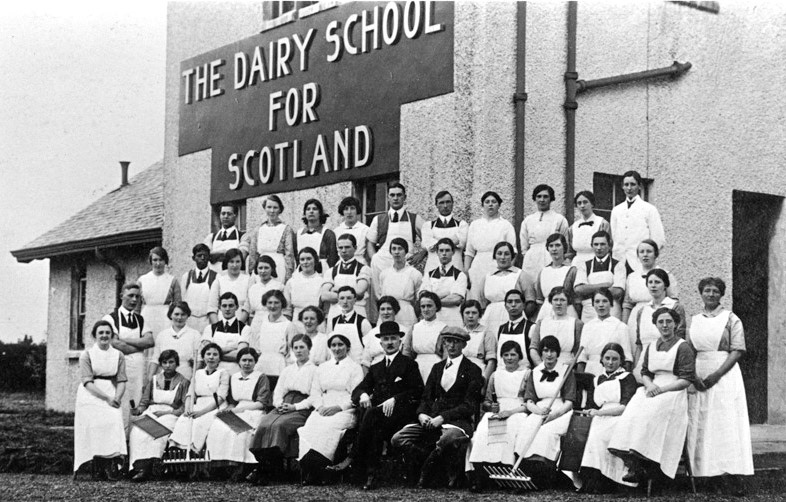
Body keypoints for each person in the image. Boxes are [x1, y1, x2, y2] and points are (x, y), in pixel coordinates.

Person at [332, 321, 424, 490]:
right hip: (379, 418)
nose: (389, 342)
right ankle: (371, 476)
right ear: (380, 343)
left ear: (400, 342)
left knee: (372, 416)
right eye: (386, 339)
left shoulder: (409, 364)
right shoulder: (376, 367)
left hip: (401, 415)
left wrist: (395, 399)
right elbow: (358, 390)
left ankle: (354, 458)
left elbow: (418, 391)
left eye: (393, 339)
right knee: (374, 425)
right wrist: (364, 394)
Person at [608, 308, 695, 483]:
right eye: (661, 322)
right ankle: (633, 460)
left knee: (650, 412)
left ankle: (646, 461)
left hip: (673, 391)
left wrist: (662, 390)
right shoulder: (651, 346)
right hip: (652, 387)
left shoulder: (682, 346)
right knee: (632, 412)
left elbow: (686, 379)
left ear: (676, 324)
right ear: (655, 324)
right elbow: (645, 371)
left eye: (669, 321)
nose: (665, 325)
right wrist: (649, 385)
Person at [391, 326, 483, 488]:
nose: (452, 346)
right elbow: (426, 398)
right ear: (444, 344)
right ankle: (430, 463)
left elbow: (470, 405)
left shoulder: (473, 370)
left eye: (456, 342)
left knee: (448, 439)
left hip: (458, 422)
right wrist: (421, 415)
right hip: (433, 419)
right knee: (398, 439)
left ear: (464, 345)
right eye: (448, 342)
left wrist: (443, 417)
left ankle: (426, 473)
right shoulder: (437, 367)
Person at [686, 278, 753, 484]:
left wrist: (716, 374)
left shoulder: (731, 318)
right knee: (702, 421)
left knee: (726, 422)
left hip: (725, 372)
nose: (711, 294)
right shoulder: (694, 319)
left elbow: (737, 350)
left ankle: (732, 475)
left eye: (716, 291)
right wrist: (693, 376)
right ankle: (704, 473)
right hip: (699, 372)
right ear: (701, 293)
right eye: (707, 290)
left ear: (722, 294)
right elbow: (689, 349)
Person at [248, 335, 317, 485]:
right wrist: (279, 403)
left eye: (302, 347)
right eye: (296, 348)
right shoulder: (288, 369)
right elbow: (278, 391)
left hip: (302, 407)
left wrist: (295, 407)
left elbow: (315, 396)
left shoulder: (315, 370)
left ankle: (270, 472)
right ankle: (268, 469)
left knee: (279, 426)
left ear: (309, 349)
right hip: (284, 405)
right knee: (264, 423)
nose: (298, 351)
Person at [297, 334, 364, 485]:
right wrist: (320, 407)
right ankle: (310, 469)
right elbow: (315, 392)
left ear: (347, 347)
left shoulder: (355, 368)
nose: (337, 348)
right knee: (310, 427)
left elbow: (356, 394)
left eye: (340, 345)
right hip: (323, 406)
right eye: (333, 345)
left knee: (327, 428)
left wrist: (338, 407)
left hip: (345, 409)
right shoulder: (322, 367)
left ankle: (321, 471)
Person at [466, 340, 529, 489]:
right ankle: (480, 473)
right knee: (483, 428)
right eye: (506, 355)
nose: (509, 358)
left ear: (519, 356)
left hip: (518, 411)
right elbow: (487, 401)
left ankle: (508, 470)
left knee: (510, 429)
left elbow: (529, 402)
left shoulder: (526, 374)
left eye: (513, 354)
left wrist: (511, 412)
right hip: (499, 411)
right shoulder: (495, 375)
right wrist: (491, 407)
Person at [579, 343, 638, 490]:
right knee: (590, 434)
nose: (610, 362)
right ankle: (591, 480)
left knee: (600, 435)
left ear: (621, 361)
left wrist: (599, 413)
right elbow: (592, 405)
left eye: (615, 359)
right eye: (607, 358)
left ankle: (609, 481)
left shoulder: (627, 377)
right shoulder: (597, 379)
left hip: (619, 417)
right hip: (599, 418)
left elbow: (625, 407)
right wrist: (590, 412)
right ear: (602, 360)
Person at [206, 347, 271, 479]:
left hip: (254, 411)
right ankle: (221, 466)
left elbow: (262, 403)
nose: (247, 363)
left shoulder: (261, 377)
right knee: (218, 426)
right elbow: (232, 401)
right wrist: (226, 410)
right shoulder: (234, 377)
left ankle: (240, 467)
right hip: (236, 409)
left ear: (255, 362)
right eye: (244, 360)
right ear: (239, 362)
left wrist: (237, 410)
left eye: (250, 360)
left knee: (240, 431)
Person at [73, 320, 127, 480]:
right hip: (91, 394)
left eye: (107, 333)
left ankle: (109, 465)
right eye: (101, 333)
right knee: (95, 426)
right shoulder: (87, 355)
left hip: (111, 391)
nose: (104, 336)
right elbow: (87, 382)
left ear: (112, 335)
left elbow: (122, 380)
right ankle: (96, 465)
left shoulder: (119, 355)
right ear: (95, 336)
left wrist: (117, 397)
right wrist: (107, 398)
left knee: (112, 422)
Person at [514, 336, 576, 470]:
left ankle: (543, 469)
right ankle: (525, 468)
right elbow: (529, 400)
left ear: (557, 353)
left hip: (561, 410)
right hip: (540, 409)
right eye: (546, 350)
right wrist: (538, 411)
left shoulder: (566, 371)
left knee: (545, 431)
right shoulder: (534, 372)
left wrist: (554, 415)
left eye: (553, 351)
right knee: (527, 427)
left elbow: (569, 402)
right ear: (541, 352)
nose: (549, 354)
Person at [128, 350, 190, 482]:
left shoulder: (184, 382)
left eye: (171, 362)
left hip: (171, 414)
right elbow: (144, 401)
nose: (168, 365)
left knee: (158, 432)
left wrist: (167, 413)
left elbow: (184, 407)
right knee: (138, 432)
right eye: (165, 362)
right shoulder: (154, 380)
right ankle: (138, 467)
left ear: (177, 363)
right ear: (161, 364)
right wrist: (138, 410)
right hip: (152, 411)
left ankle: (150, 467)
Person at [103, 283, 154, 433]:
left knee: (136, 402)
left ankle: (132, 442)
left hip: (137, 370)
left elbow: (150, 341)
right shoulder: (110, 319)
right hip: (120, 368)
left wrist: (125, 339)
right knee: (121, 402)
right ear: (121, 296)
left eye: (137, 296)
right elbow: (117, 345)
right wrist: (140, 345)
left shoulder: (140, 320)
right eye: (130, 295)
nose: (134, 299)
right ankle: (118, 442)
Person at [367, 183, 426, 307]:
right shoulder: (379, 219)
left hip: (406, 265)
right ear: (388, 197)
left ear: (404, 197)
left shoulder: (414, 218)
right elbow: (370, 243)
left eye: (399, 195)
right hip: (382, 265)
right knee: (383, 300)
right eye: (392, 195)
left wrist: (421, 253)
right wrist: (375, 259)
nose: (395, 198)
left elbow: (429, 239)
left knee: (404, 297)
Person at [169, 343, 230, 457]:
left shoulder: (223, 373)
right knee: (183, 420)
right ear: (204, 357)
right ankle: (180, 452)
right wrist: (187, 409)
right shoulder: (197, 373)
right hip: (199, 405)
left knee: (200, 422)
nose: (211, 357)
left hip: (215, 406)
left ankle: (195, 451)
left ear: (219, 358)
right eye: (208, 354)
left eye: (215, 354)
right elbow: (190, 394)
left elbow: (221, 397)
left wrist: (201, 413)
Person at [630, 269, 686, 382]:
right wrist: (636, 368)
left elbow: (680, 340)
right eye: (650, 282)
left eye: (657, 282)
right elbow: (639, 345)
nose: (653, 286)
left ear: (665, 285)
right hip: (644, 366)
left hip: (666, 365)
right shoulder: (642, 311)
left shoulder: (675, 307)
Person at [464, 191, 517, 301]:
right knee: (476, 298)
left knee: (495, 296)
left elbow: (513, 252)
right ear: (482, 205)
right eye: (487, 202)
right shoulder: (475, 225)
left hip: (497, 266)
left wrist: (506, 272)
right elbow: (469, 252)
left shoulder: (506, 225)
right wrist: (466, 272)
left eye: (494, 202)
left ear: (499, 205)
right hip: (477, 267)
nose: (490, 204)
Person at [610, 171, 666, 273]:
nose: (629, 188)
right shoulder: (616, 210)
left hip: (639, 263)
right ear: (622, 187)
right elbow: (613, 237)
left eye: (633, 184)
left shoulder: (649, 209)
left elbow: (658, 238)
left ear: (639, 186)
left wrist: (647, 257)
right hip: (619, 261)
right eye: (626, 184)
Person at [247, 290, 298, 388]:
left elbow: (292, 352)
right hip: (261, 366)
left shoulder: (289, 325)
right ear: (265, 304)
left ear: (282, 304)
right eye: (270, 303)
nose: (273, 306)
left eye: (276, 302)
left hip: (279, 367)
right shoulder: (260, 323)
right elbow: (253, 346)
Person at [520, 184, 570, 284]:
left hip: (552, 256)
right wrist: (529, 256)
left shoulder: (559, 219)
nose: (542, 200)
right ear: (535, 198)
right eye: (539, 196)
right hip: (532, 259)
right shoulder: (528, 220)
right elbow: (524, 246)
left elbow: (565, 245)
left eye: (545, 196)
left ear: (551, 199)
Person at [621, 239, 679, 325]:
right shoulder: (632, 277)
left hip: (659, 318)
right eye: (641, 252)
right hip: (635, 320)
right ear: (638, 255)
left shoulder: (666, 275)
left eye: (649, 251)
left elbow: (674, 301)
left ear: (656, 254)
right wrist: (624, 325)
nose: (645, 255)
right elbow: (627, 305)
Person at [477, 241, 531, 333]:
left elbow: (530, 301)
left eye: (506, 254)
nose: (503, 257)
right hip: (490, 318)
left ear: (512, 256)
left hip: (514, 316)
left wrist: (519, 316)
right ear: (494, 256)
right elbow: (482, 303)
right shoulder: (487, 276)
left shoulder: (520, 275)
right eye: (499, 254)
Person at [576, 289, 632, 376]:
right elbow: (582, 357)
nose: (601, 305)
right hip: (590, 371)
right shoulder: (587, 326)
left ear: (611, 304)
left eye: (605, 301)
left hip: (612, 372)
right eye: (597, 301)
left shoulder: (620, 326)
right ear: (593, 304)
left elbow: (627, 358)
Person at [573, 231, 625, 322]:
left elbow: (618, 291)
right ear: (591, 245)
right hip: (589, 311)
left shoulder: (618, 265)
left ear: (609, 245)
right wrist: (605, 285)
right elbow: (579, 289)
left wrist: (589, 289)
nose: (599, 248)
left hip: (611, 309)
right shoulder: (584, 265)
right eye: (596, 244)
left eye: (602, 244)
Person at [320, 234, 371, 321]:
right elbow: (324, 295)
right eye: (340, 247)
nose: (343, 250)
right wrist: (350, 296)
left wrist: (336, 289)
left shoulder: (363, 269)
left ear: (355, 248)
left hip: (357, 312)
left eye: (347, 247)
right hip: (335, 313)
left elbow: (359, 292)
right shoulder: (331, 271)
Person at [529, 287, 583, 367]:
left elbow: (579, 351)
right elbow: (533, 348)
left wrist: (570, 365)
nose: (558, 303)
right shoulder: (541, 322)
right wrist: (542, 366)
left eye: (562, 300)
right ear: (551, 302)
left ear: (568, 302)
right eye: (555, 300)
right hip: (544, 367)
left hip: (567, 367)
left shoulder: (576, 323)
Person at [418, 238, 468, 326]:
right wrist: (446, 295)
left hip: (452, 319)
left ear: (453, 252)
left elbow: (456, 299)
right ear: (437, 252)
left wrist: (432, 300)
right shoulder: (429, 275)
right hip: (433, 319)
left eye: (447, 250)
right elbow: (423, 296)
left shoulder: (460, 275)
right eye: (441, 250)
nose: (444, 253)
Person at [247, 194, 297, 283]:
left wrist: (288, 276)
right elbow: (253, 253)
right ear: (265, 208)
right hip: (261, 267)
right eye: (269, 207)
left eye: (275, 208)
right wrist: (251, 271)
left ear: (280, 209)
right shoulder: (258, 229)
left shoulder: (286, 229)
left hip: (279, 267)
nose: (272, 211)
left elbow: (289, 254)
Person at [377, 237, 423, 331]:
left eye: (400, 249)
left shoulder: (414, 273)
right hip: (387, 312)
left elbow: (418, 299)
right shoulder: (384, 274)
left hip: (406, 313)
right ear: (390, 252)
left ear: (405, 251)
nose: (397, 252)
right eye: (394, 249)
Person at [137, 246, 182, 343]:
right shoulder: (142, 280)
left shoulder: (172, 281)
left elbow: (178, 305)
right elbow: (137, 307)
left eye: (161, 260)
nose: (158, 263)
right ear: (151, 261)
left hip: (165, 320)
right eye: (155, 260)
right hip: (146, 318)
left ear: (165, 261)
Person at [201, 292, 251, 375]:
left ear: (237, 307)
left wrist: (216, 354)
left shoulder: (245, 329)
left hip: (235, 372)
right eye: (224, 306)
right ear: (219, 307)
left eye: (231, 306)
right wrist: (231, 349)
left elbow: (240, 355)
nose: (227, 309)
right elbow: (206, 354)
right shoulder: (210, 328)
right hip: (213, 373)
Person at [149, 301, 201, 381]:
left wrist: (192, 380)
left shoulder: (195, 334)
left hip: (186, 377)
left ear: (187, 315)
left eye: (183, 314)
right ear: (170, 315)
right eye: (176, 314)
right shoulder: (162, 335)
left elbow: (199, 360)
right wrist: (150, 378)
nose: (179, 318)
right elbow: (155, 359)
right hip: (165, 378)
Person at [419, 191, 468, 273]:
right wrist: (452, 242)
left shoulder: (462, 225)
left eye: (448, 202)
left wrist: (436, 241)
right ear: (436, 205)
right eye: (441, 203)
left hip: (455, 269)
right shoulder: (428, 225)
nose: (445, 206)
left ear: (452, 203)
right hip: (433, 269)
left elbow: (461, 241)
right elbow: (426, 243)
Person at [533, 233, 579, 321]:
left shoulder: (572, 270)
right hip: (546, 312)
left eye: (558, 245)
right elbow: (540, 299)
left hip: (567, 312)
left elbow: (576, 300)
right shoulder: (543, 271)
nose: (554, 249)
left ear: (564, 247)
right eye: (551, 246)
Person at [404, 291, 447, 383]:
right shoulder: (414, 328)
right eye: (423, 306)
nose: (426, 309)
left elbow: (446, 355)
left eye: (429, 306)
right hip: (416, 367)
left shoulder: (443, 328)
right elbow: (406, 352)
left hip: (436, 366)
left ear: (436, 307)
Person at [327, 286, 372, 364]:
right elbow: (329, 347)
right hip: (338, 366)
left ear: (355, 300)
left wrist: (364, 365)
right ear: (338, 301)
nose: (345, 301)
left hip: (357, 366)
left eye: (349, 298)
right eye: (342, 298)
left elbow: (369, 347)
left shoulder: (362, 322)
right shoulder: (333, 322)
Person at [361, 296, 408, 369]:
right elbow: (365, 361)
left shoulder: (405, 331)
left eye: (389, 309)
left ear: (395, 310)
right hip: (376, 373)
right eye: (382, 309)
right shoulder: (372, 333)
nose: (386, 312)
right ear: (379, 311)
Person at [207, 248, 252, 324]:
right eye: (231, 262)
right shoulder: (219, 281)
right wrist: (218, 327)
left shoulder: (248, 280)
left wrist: (238, 325)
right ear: (226, 263)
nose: (235, 265)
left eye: (238, 261)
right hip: (222, 323)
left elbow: (248, 306)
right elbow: (212, 307)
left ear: (242, 263)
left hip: (241, 322)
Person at [566, 191, 611, 266]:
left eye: (585, 202)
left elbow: (609, 247)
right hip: (577, 264)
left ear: (592, 204)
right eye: (579, 203)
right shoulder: (573, 227)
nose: (582, 206)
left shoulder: (602, 223)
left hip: (597, 263)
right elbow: (570, 251)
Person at [180, 243, 218, 332]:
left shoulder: (216, 277)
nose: (202, 258)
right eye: (199, 255)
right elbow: (183, 301)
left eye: (205, 255)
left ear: (209, 257)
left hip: (207, 321)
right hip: (189, 322)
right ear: (193, 258)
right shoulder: (186, 277)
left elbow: (216, 303)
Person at [457, 300, 496, 381]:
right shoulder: (458, 333)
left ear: (479, 315)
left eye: (474, 313)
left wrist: (484, 381)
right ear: (462, 315)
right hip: (458, 371)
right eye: (467, 313)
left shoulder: (487, 333)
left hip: (478, 372)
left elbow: (491, 361)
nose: (470, 316)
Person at [496, 289, 535, 370]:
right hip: (503, 373)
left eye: (517, 301)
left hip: (524, 373)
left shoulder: (531, 327)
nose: (513, 305)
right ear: (505, 306)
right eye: (510, 302)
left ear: (524, 305)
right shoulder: (502, 328)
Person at [283, 247, 324, 322]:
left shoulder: (322, 282)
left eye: (309, 259)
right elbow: (287, 310)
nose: (305, 262)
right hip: (297, 321)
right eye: (302, 259)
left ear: (315, 260)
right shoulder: (292, 281)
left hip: (317, 321)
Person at [203, 204, 248, 272]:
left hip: (234, 277)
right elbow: (205, 256)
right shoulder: (211, 237)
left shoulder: (243, 236)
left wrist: (216, 255)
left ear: (235, 216)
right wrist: (227, 253)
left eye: (229, 214)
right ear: (220, 215)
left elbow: (241, 256)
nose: (226, 216)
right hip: (214, 277)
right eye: (223, 213)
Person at [297, 198, 338, 271]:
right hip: (302, 271)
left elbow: (332, 258)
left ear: (320, 213)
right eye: (308, 209)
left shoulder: (328, 234)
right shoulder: (298, 234)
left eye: (315, 209)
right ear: (304, 213)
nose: (311, 211)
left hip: (322, 272)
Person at [244, 255, 285, 329]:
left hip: (274, 322)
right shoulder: (253, 288)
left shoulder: (279, 286)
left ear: (272, 269)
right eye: (260, 268)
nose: (263, 271)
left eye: (266, 268)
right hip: (256, 324)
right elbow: (251, 313)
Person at [334, 196, 369, 264]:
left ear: (357, 210)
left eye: (352, 208)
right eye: (346, 209)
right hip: (341, 264)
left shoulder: (365, 230)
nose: (349, 212)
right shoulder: (336, 231)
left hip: (360, 263)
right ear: (342, 211)